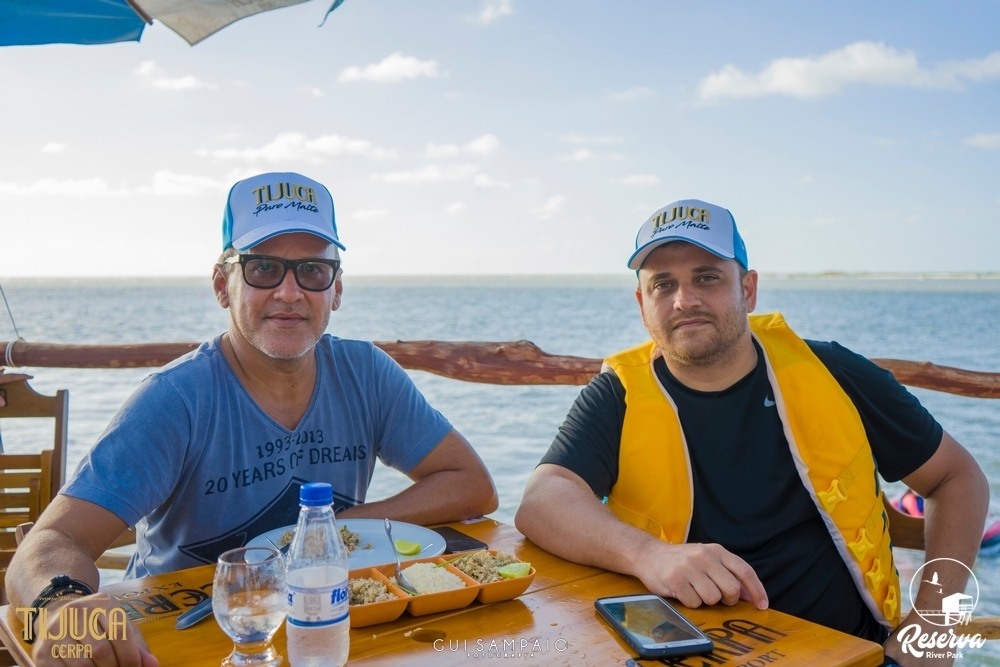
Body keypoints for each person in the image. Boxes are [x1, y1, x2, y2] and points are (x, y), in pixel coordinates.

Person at [7, 171, 498, 666]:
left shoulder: (365, 373)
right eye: (263, 268)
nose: (290, 292)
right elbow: (50, 541)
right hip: (181, 637)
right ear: (223, 286)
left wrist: (330, 532)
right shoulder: (176, 399)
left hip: (323, 631)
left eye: (313, 270)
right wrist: (63, 608)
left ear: (336, 290)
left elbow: (472, 485)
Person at [515, 199, 988, 667]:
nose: (685, 299)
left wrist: (935, 625)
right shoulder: (618, 394)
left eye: (707, 277)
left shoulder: (833, 372)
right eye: (663, 284)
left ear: (748, 288)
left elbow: (958, 479)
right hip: (678, 652)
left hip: (845, 652)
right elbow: (543, 500)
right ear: (643, 305)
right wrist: (649, 556)